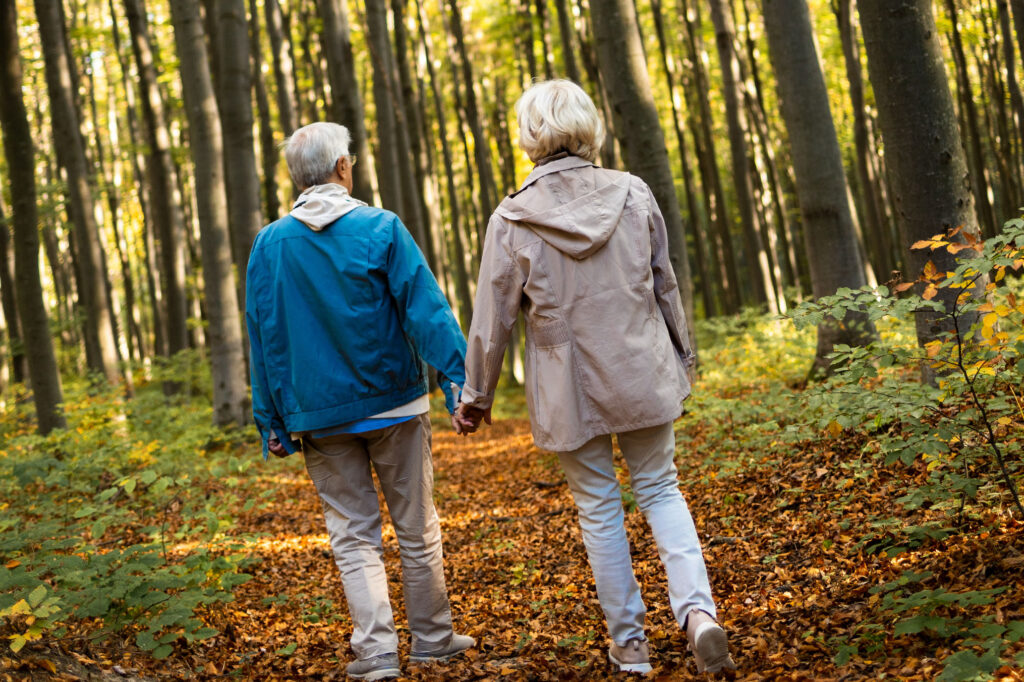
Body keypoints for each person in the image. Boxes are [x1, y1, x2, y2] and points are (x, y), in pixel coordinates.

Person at [456, 80, 737, 674]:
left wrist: (475, 395)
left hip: (568, 387)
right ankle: (698, 616)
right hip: (642, 368)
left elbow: (492, 318)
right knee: (661, 488)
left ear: (530, 136)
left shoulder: (512, 218)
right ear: (589, 126)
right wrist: (683, 359)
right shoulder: (633, 194)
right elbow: (665, 284)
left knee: (599, 509)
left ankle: (631, 646)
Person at [246, 121, 474, 681]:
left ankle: (376, 654)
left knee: (353, 536)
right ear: (343, 168)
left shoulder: (269, 245)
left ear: (297, 179)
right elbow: (425, 309)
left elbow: (263, 334)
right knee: (417, 528)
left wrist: (269, 417)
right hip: (394, 404)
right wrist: (457, 377)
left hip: (318, 416)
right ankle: (433, 639)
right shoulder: (381, 227)